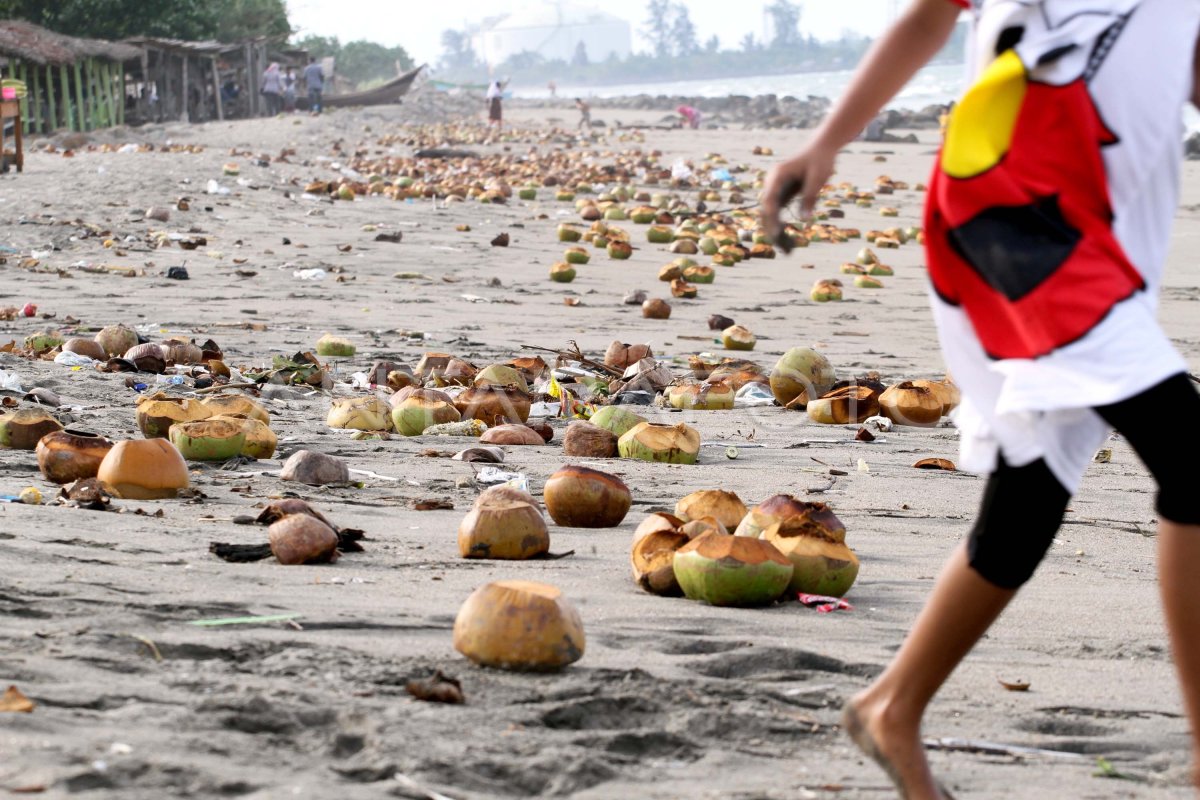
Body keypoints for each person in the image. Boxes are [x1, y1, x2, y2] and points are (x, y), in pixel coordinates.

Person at [761, 1, 1200, 797]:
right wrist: (827, 140)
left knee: (1030, 496)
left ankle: (890, 706)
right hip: (1018, 219)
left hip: (1107, 234)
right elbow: (928, 17)